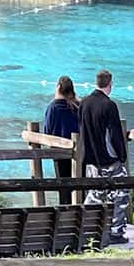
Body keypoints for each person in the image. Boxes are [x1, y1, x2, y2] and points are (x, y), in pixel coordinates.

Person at [76, 68, 131, 244]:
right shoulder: (109, 105)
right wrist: (121, 156)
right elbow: (115, 134)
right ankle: (115, 232)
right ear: (110, 84)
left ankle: (85, 226)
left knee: (95, 194)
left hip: (91, 158)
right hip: (109, 159)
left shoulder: (84, 103)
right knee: (121, 194)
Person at [42, 76, 82, 205]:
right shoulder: (77, 106)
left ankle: (65, 217)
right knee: (79, 187)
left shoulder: (53, 107)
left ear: (58, 87)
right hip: (80, 154)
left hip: (59, 154)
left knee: (64, 189)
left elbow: (47, 131)